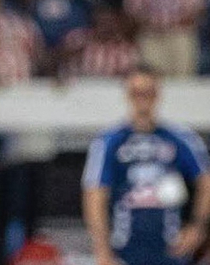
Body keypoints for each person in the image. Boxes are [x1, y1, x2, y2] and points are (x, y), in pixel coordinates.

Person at [82, 66, 210, 265]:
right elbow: (95, 194)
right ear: (127, 95)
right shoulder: (108, 142)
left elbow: (206, 181)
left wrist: (197, 227)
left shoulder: (181, 138)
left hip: (172, 252)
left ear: (157, 94)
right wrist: (102, 250)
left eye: (148, 92)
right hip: (124, 252)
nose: (142, 99)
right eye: (136, 93)